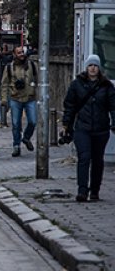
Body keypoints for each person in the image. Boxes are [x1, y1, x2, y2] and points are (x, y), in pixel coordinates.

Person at [62, 55, 115, 202]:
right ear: (86, 67)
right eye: (90, 65)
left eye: (95, 65)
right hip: (82, 128)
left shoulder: (106, 86)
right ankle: (82, 190)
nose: (93, 68)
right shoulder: (77, 84)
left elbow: (113, 107)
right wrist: (66, 124)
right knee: (84, 158)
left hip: (100, 128)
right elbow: (70, 106)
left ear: (99, 68)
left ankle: (95, 190)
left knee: (97, 160)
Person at [1, 46, 38, 157]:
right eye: (19, 52)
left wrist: (36, 91)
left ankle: (26, 138)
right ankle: (16, 145)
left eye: (23, 52)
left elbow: (38, 80)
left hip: (30, 98)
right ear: (14, 54)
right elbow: (4, 84)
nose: (22, 54)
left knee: (32, 121)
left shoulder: (31, 65)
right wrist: (4, 99)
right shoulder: (9, 67)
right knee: (16, 124)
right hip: (15, 98)